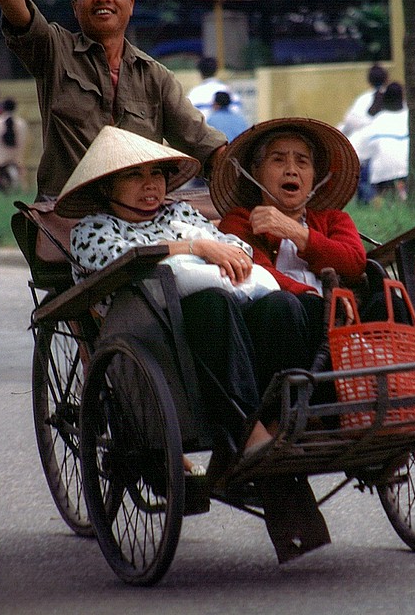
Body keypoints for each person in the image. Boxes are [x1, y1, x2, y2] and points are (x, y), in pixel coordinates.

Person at [55, 125, 274, 465]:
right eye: (134, 175)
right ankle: (247, 431)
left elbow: (233, 247)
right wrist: (195, 247)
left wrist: (219, 252)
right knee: (211, 304)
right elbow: (118, 259)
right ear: (107, 185)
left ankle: (278, 419)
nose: (150, 184)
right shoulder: (92, 228)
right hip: (147, 330)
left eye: (156, 173)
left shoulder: (179, 212)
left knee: (279, 306)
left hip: (215, 322)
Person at [0, 0, 227, 200]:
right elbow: (22, 20)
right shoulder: (55, 51)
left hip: (136, 214)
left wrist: (241, 169)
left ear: (131, 4)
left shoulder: (155, 77)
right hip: (66, 213)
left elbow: (201, 141)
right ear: (75, 7)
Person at [212, 118, 370, 390]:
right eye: (278, 160)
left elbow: (354, 263)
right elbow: (257, 271)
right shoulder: (239, 222)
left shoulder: (334, 219)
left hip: (337, 319)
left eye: (302, 162)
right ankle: (292, 405)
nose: (291, 170)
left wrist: (296, 232)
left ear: (315, 176)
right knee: (288, 305)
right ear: (255, 171)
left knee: (390, 302)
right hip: (276, 322)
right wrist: (315, 297)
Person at [348, 82, 409, 203]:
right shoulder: (411, 119)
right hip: (411, 173)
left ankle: (373, 201)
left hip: (383, 178)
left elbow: (353, 151)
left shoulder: (375, 123)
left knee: (363, 170)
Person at [338, 63, 388, 137]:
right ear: (386, 79)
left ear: (369, 80)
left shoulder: (362, 100)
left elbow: (349, 122)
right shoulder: (396, 99)